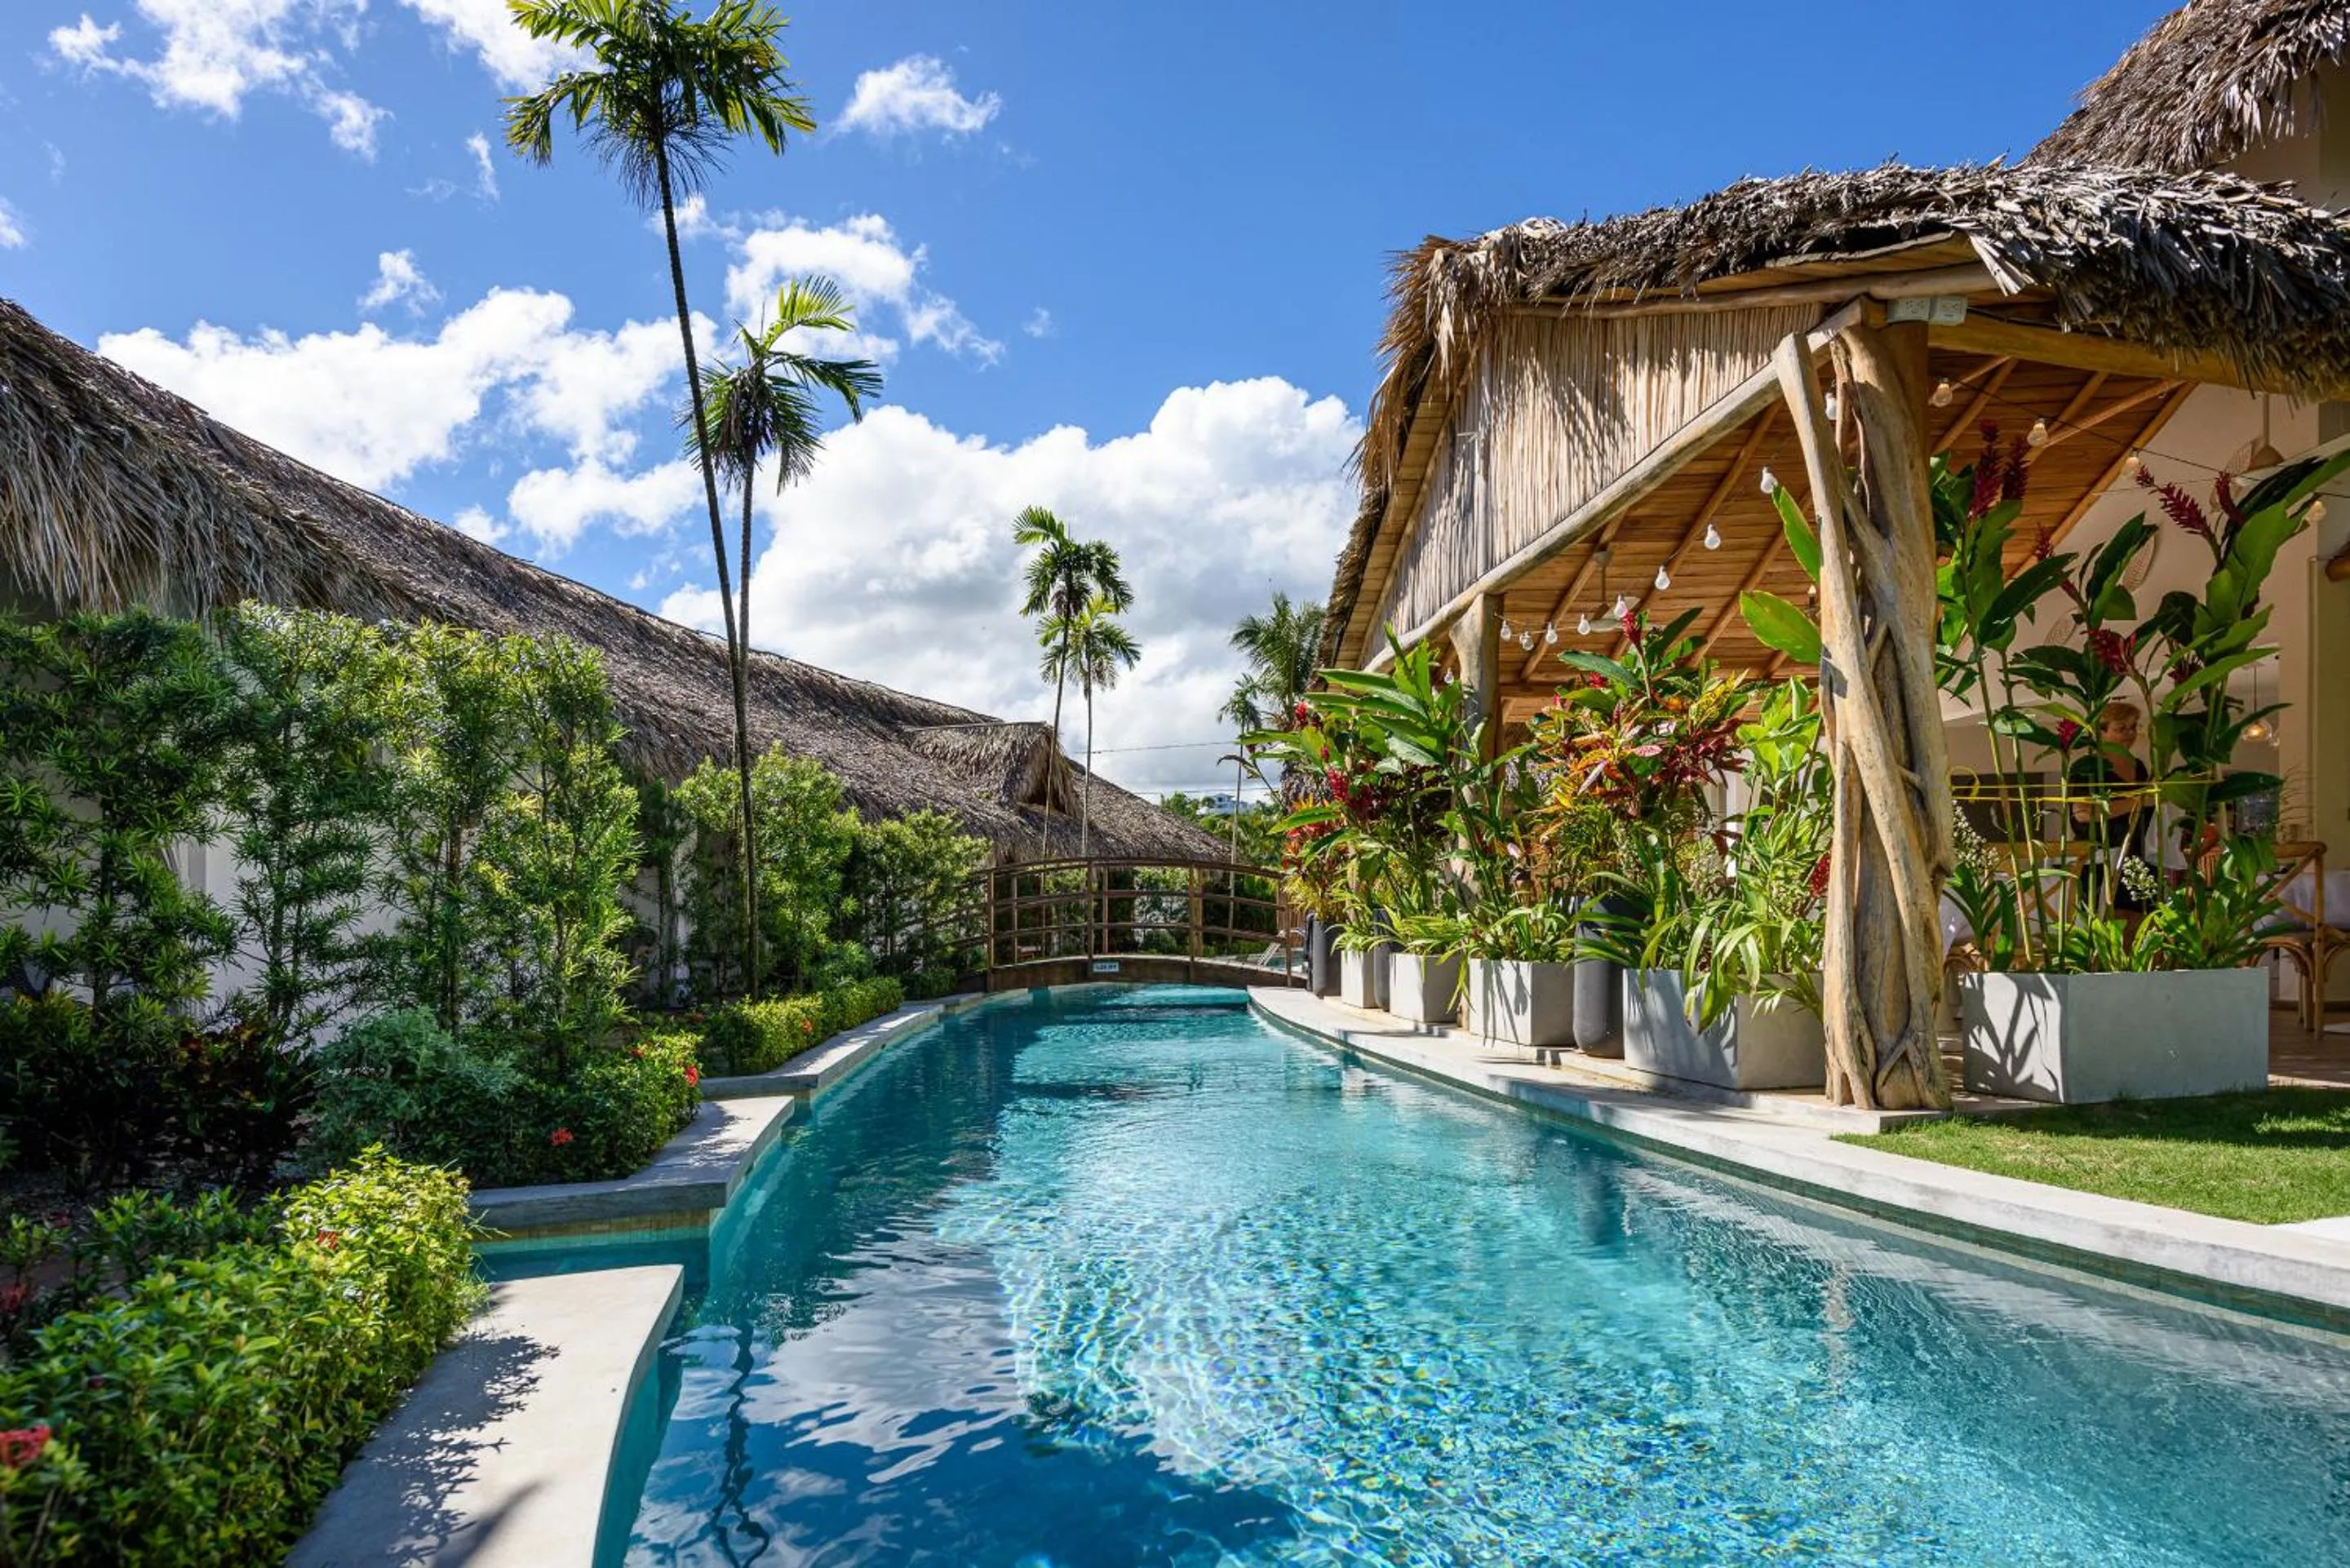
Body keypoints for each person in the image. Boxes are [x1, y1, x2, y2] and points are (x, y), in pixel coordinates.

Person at [2068, 700, 2154, 911]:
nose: (2129, 733)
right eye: (2121, 728)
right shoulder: (2087, 768)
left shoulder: (2139, 767)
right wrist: (2139, 802)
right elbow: (2083, 813)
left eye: (2133, 727)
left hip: (2137, 855)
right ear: (2102, 733)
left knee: (2144, 920)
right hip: (2100, 860)